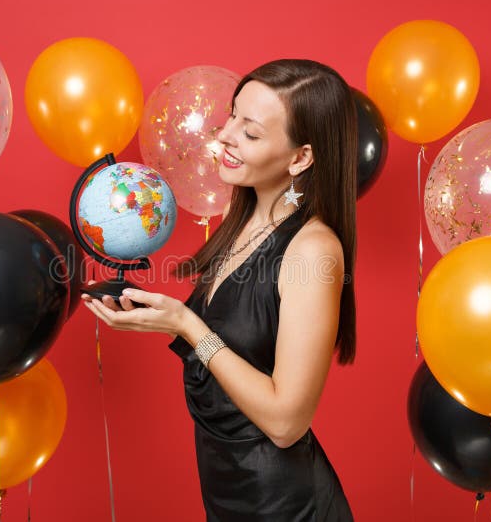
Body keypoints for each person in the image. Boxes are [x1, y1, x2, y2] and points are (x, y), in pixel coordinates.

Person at [82, 59, 357, 521]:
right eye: (232, 116)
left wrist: (187, 325)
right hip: (229, 495)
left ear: (300, 158)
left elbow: (287, 423)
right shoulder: (246, 217)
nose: (225, 136)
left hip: (284, 506)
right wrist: (151, 315)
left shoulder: (314, 250)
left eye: (250, 133)